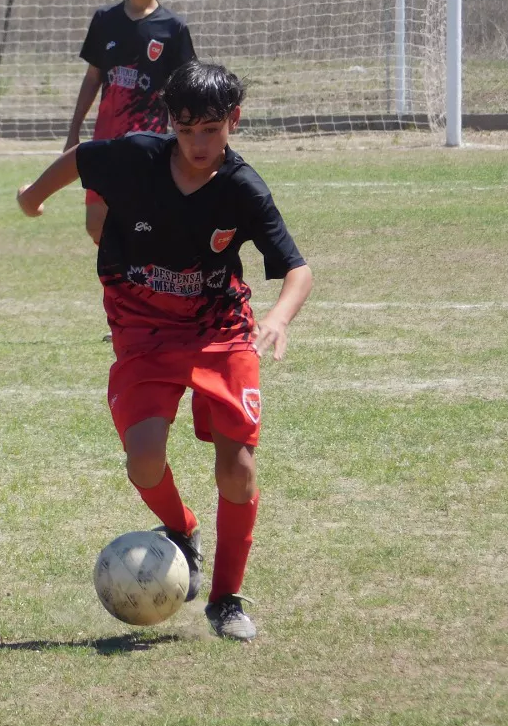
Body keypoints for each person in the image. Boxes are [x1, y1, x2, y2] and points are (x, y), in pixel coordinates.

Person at [17, 62, 313, 641]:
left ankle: (226, 598)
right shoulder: (136, 156)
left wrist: (277, 319)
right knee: (144, 458)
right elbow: (81, 158)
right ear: (169, 124)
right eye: (187, 131)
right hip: (142, 328)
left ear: (234, 120)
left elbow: (298, 270)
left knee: (240, 466)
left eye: (212, 130)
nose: (199, 144)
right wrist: (32, 196)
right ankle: (182, 530)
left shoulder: (243, 187)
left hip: (220, 329)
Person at [65, 0, 195, 244]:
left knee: (142, 223)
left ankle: (137, 285)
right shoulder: (105, 20)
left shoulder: (173, 28)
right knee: (96, 224)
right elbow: (93, 77)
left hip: (148, 140)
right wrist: (73, 130)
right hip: (105, 136)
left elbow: (185, 86)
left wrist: (186, 134)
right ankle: (120, 284)